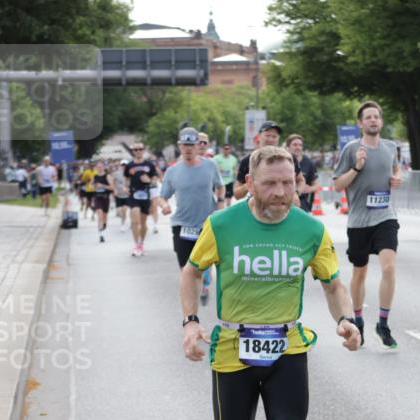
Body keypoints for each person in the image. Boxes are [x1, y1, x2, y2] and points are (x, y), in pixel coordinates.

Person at [180, 145, 360, 420]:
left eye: (288, 182)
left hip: (287, 347)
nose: (281, 192)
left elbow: (333, 284)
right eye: (270, 184)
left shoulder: (310, 230)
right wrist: (190, 323)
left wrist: (348, 320)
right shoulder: (221, 225)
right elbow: (191, 272)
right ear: (249, 184)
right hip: (232, 350)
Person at [333, 101, 402, 349]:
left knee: (389, 268)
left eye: (376, 117)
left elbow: (395, 169)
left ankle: (383, 323)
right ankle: (359, 318)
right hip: (359, 220)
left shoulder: (390, 147)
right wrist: (357, 167)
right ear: (361, 123)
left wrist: (397, 179)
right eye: (368, 117)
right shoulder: (352, 149)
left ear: (381, 122)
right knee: (359, 272)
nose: (373, 120)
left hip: (385, 216)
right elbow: (338, 185)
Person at [159, 126, 225, 303]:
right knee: (185, 270)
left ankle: (203, 282)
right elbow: (162, 196)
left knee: (204, 264)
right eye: (184, 145)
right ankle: (190, 311)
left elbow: (220, 185)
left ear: (198, 146)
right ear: (179, 146)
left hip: (206, 224)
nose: (188, 149)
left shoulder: (210, 165)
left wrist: (220, 203)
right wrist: (164, 206)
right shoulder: (172, 171)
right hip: (181, 225)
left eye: (191, 145)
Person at [234, 121, 302, 201]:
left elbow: (301, 180)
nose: (270, 139)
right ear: (259, 136)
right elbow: (236, 194)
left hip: (282, 206)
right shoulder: (248, 161)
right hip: (257, 208)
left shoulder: (289, 158)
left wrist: (296, 193)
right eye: (267, 135)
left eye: (274, 136)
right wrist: (252, 183)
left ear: (278, 138)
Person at [124, 142, 160, 257]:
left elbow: (155, 180)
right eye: (135, 150)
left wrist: (149, 180)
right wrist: (125, 188)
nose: (138, 151)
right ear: (133, 152)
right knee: (135, 221)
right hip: (133, 195)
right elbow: (126, 181)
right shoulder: (129, 166)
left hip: (145, 195)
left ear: (143, 150)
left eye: (140, 149)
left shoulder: (149, 165)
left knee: (143, 223)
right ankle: (136, 245)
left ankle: (141, 244)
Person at [284, 134, 321, 212]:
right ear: (288, 147)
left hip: (303, 203)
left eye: (300, 145)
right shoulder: (282, 161)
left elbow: (317, 185)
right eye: (295, 145)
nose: (298, 147)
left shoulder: (309, 163)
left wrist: (309, 188)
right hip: (285, 201)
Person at [92, 160, 114, 242]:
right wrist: (93, 186)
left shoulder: (107, 176)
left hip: (105, 198)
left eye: (101, 167)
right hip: (97, 198)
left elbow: (112, 188)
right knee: (99, 215)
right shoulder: (94, 177)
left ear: (104, 167)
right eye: (98, 167)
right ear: (96, 168)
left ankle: (104, 225)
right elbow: (91, 187)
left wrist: (102, 186)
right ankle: (101, 235)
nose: (99, 168)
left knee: (104, 216)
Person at [112, 160, 131, 231]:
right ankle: (123, 219)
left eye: (125, 165)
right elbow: (113, 182)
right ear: (120, 166)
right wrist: (114, 190)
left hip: (126, 196)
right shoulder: (116, 174)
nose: (124, 166)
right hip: (118, 195)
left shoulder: (130, 174)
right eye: (123, 165)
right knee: (119, 212)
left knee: (125, 210)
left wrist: (128, 190)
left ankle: (122, 224)